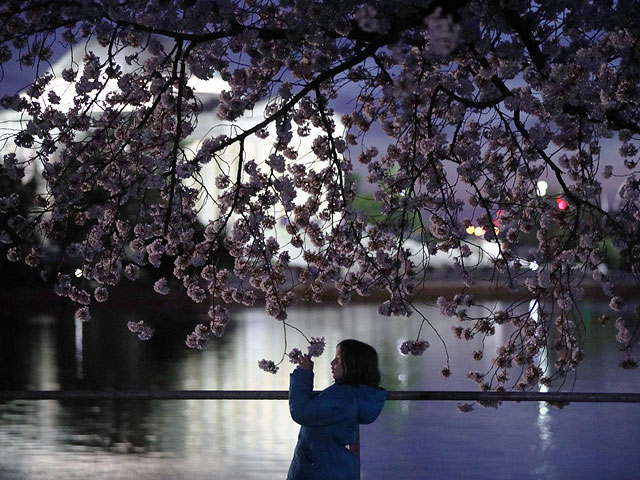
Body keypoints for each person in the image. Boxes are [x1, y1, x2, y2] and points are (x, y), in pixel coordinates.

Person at [287, 339, 386, 480]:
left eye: (338, 359)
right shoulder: (350, 395)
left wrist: (304, 374)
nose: (332, 363)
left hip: (320, 470)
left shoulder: (340, 397)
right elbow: (317, 408)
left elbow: (301, 412)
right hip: (335, 467)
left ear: (353, 366)